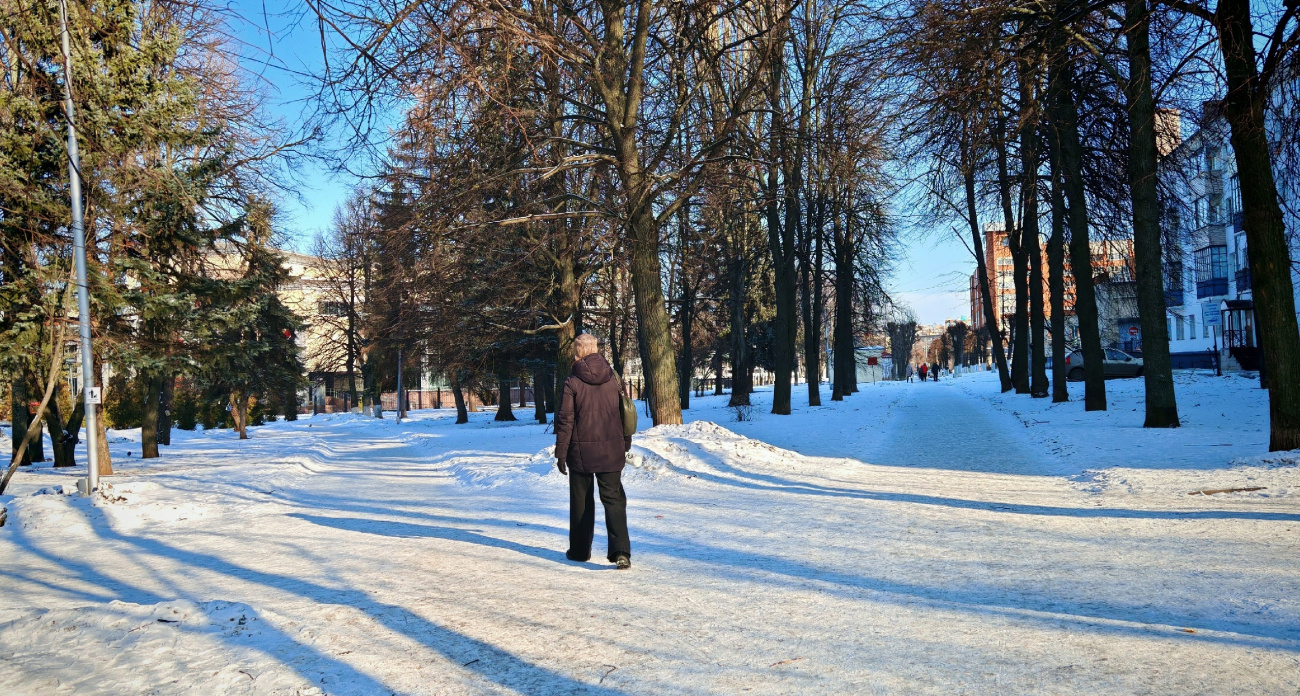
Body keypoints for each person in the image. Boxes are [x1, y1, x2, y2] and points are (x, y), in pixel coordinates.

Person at [554, 333, 633, 569]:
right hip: (611, 450)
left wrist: (561, 453)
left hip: (580, 453)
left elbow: (565, 420)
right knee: (614, 500)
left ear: (578, 351)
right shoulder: (614, 378)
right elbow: (625, 412)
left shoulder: (572, 381)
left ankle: (579, 551)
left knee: (581, 501)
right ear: (596, 349)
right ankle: (621, 552)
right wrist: (625, 441)